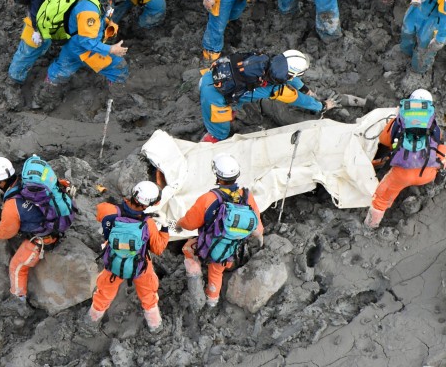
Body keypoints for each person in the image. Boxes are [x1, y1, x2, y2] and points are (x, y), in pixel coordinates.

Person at [0, 157, 74, 318]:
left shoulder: (12, 205)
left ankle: (18, 301)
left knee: (17, 266)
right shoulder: (26, 182)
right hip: (52, 219)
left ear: (1, 182)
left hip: (44, 237)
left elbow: (7, 232)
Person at [176, 154, 263, 309]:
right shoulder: (246, 197)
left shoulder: (209, 198)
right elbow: (258, 229)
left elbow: (189, 224)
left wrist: (179, 223)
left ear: (217, 176)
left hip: (215, 251)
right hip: (238, 250)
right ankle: (213, 296)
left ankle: (209, 299)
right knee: (220, 266)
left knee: (189, 249)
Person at [6, 0, 87, 100]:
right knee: (28, 50)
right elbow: (36, 4)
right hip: (39, 18)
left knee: (43, 45)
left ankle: (43, 49)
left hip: (55, 14)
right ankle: (14, 80)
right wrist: (37, 29)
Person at [35, 0, 128, 107]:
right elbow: (86, 41)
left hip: (72, 40)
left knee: (62, 69)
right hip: (84, 48)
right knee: (119, 67)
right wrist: (111, 50)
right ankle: (119, 102)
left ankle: (42, 99)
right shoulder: (89, 11)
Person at [200, 49, 336, 142]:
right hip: (213, 96)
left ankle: (231, 110)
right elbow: (298, 99)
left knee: (239, 96)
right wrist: (322, 106)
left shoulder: (266, 59)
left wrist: (305, 89)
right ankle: (211, 140)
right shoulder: (276, 89)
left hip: (211, 75)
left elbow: (290, 76)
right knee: (221, 132)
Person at [87, 181, 169, 333]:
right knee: (148, 295)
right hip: (140, 265)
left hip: (113, 261)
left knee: (103, 293)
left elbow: (99, 213)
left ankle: (90, 324)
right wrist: (164, 226)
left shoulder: (108, 210)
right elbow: (158, 248)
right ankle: (155, 327)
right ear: (150, 204)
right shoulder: (148, 223)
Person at [364, 88, 446, 228]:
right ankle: (439, 178)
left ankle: (369, 226)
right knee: (443, 150)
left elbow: (384, 139)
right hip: (427, 173)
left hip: (401, 174)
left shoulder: (399, 120)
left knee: (380, 199)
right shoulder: (433, 124)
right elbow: (437, 141)